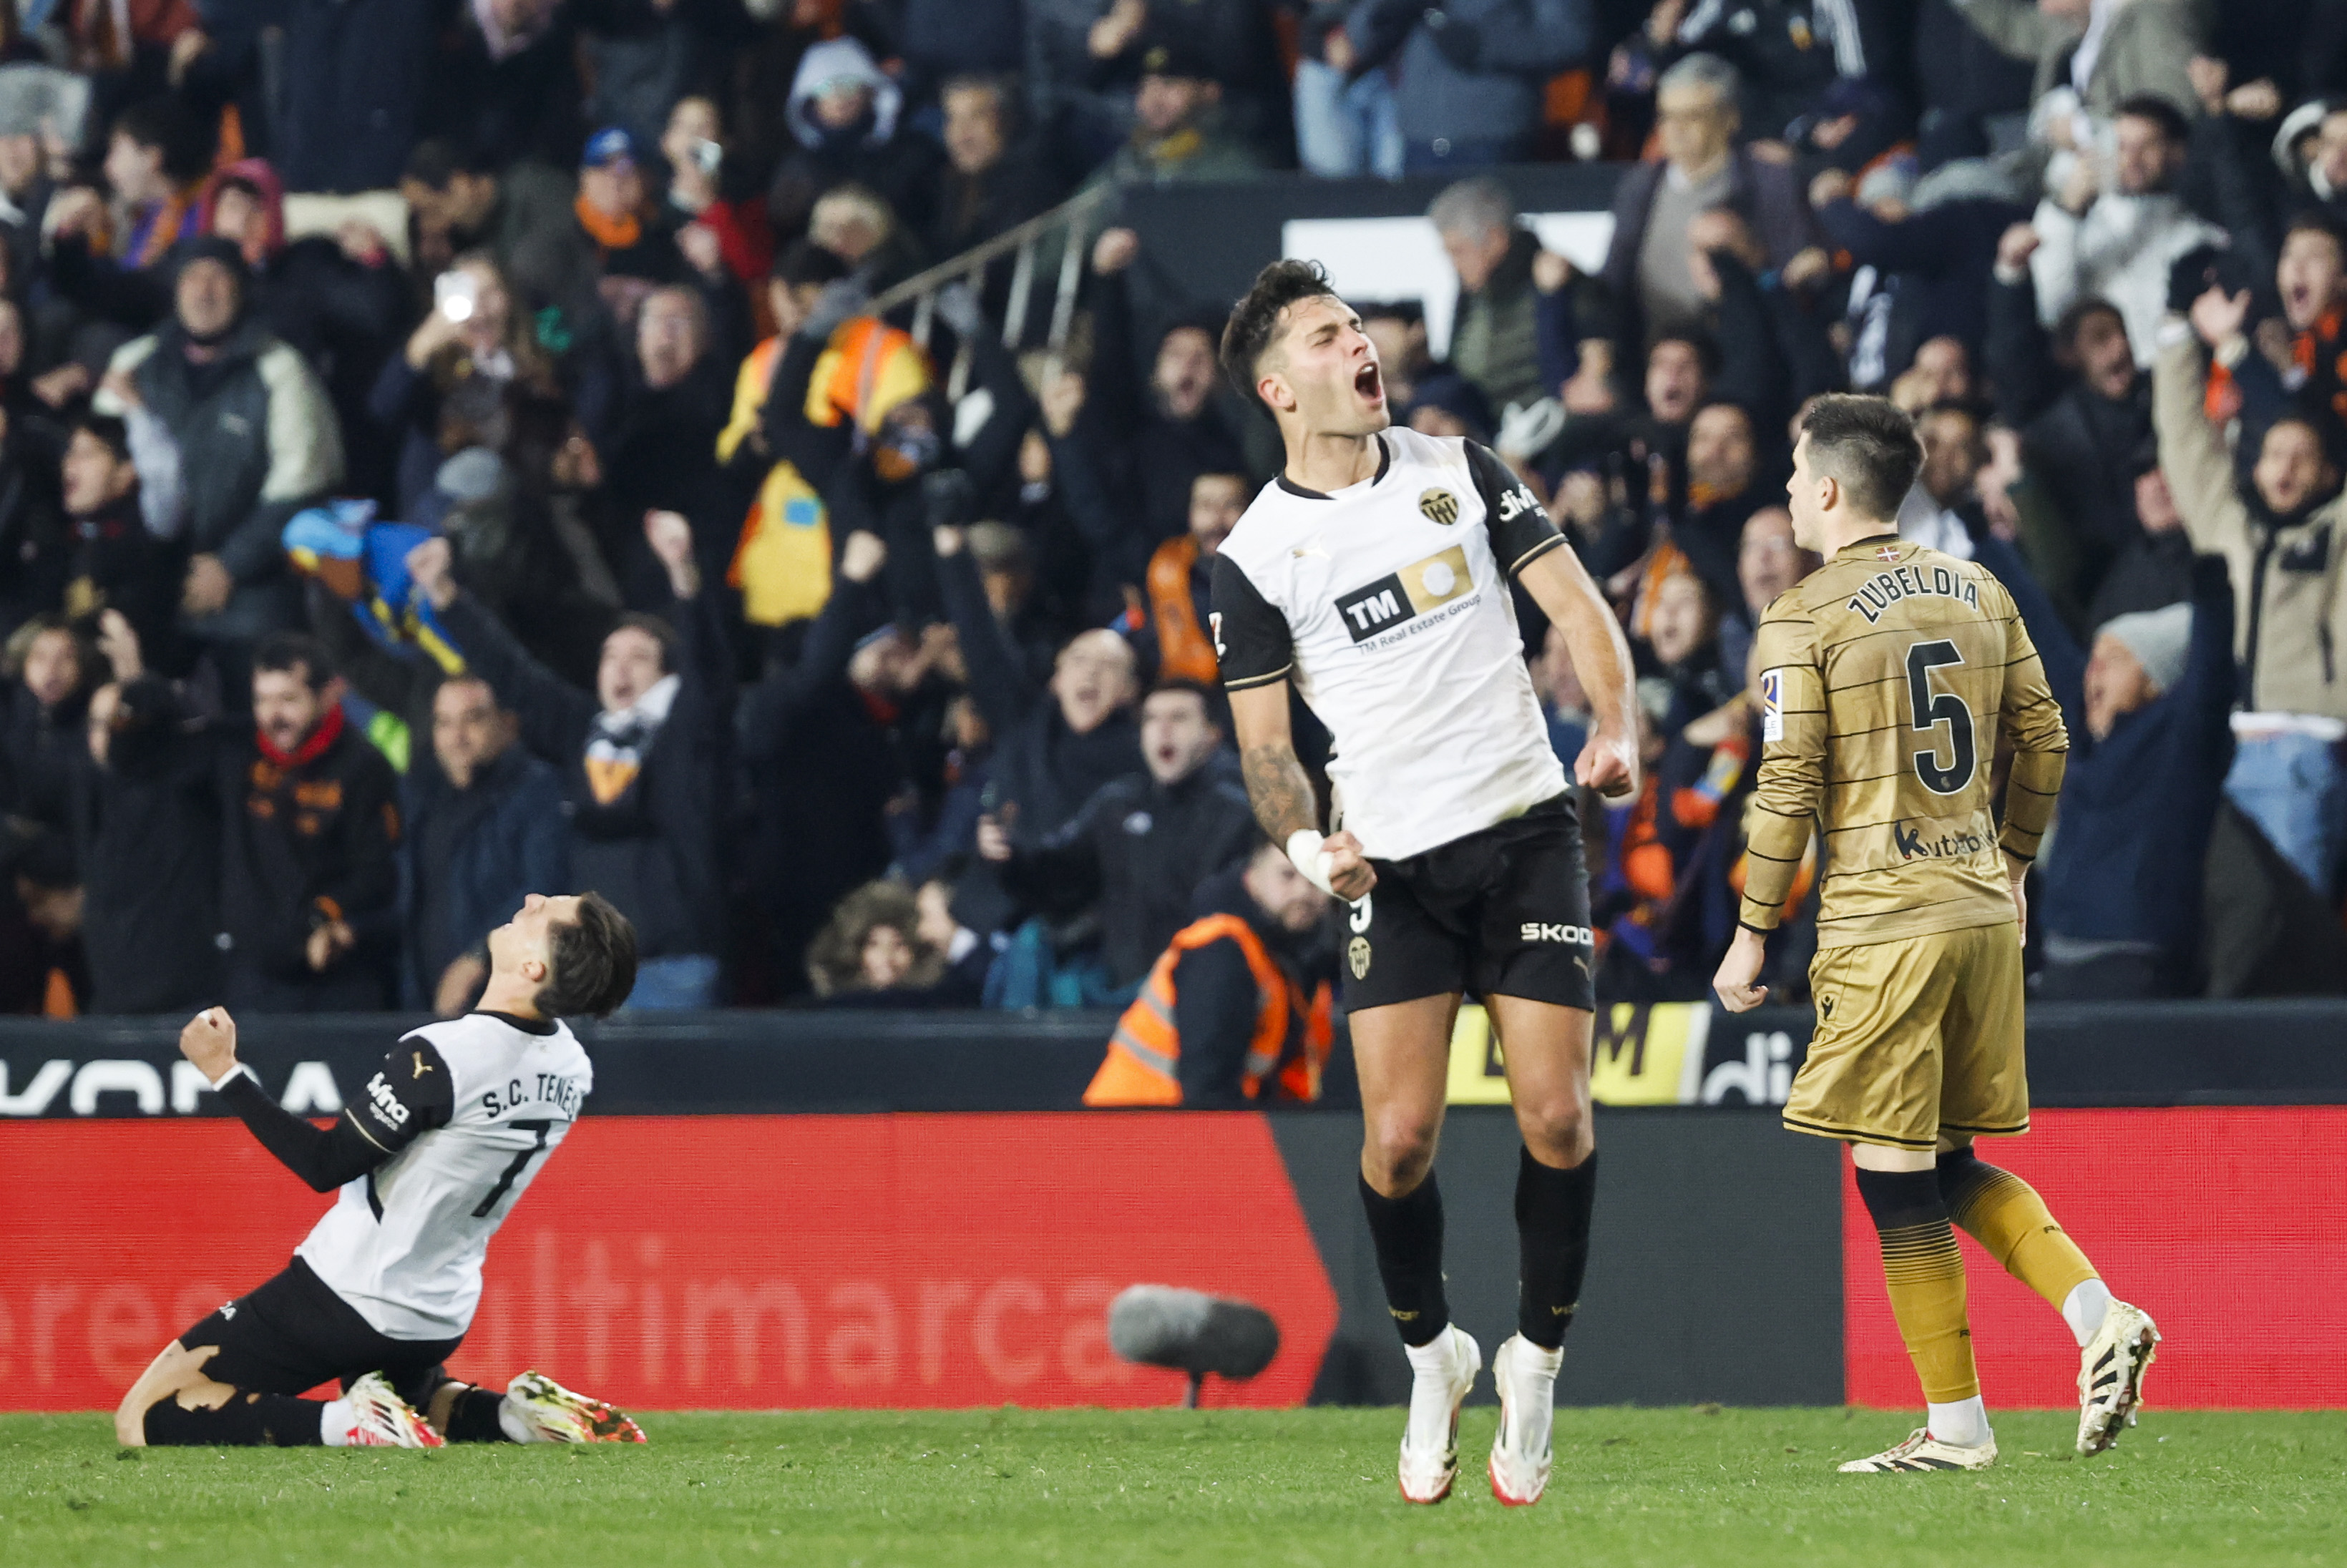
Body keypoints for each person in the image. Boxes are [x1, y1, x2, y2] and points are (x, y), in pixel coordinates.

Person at [1211, 258, 1639, 1506]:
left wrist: (1613, 723)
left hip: (1523, 831)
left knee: (1558, 1117)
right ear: (1279, 386)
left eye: (1361, 325)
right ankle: (1432, 1355)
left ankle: (1537, 1367)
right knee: (1397, 1143)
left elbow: (1578, 609)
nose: (1363, 344)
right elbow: (1264, 751)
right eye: (1330, 333)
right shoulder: (1256, 553)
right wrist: (1308, 850)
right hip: (1389, 867)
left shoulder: (1462, 472)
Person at [1711, 394, 2157, 1472]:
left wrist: (1748, 930)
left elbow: (1786, 781)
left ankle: (1966, 1423)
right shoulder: (1977, 588)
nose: (1783, 493)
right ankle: (2095, 1317)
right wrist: (2009, 863)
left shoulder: (1803, 615)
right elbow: (2046, 738)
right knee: (1941, 1161)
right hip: (1977, 916)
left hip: (1881, 922)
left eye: (1790, 474)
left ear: (1825, 489)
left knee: (1888, 1169)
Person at [113, 893, 645, 1449]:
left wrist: (224, 1072)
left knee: (145, 1416)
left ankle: (348, 1424)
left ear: (534, 968)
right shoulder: (570, 1065)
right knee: (411, 1402)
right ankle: (515, 1419)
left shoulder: (443, 1054)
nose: (531, 900)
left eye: (544, 911)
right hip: (438, 1315)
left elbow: (326, 1164)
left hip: (347, 1294)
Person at [410, 511, 731, 1009]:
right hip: (592, 973)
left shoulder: (684, 736)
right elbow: (515, 676)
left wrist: (684, 576)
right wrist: (447, 598)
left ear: (669, 677)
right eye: (610, 656)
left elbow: (709, 674)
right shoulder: (586, 730)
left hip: (674, 969)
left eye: (638, 658)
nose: (619, 669)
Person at [979, 680, 1258, 989]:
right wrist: (1009, 857)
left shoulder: (1239, 816)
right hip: (1125, 997)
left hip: (1206, 991)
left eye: (1179, 718)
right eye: (1151, 719)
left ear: (1212, 736)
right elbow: (1058, 882)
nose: (1163, 730)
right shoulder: (1116, 806)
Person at [1084, 835, 1334, 1107]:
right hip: (1137, 1133)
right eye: (1287, 875)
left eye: (1315, 878)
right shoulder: (1221, 950)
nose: (1303, 892)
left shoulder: (1288, 963)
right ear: (1252, 875)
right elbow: (1207, 1091)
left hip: (1163, 1129)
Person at [401, 675, 572, 1016]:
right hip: (423, 1002)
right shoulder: (420, 799)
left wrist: (478, 957)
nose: (457, 736)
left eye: (473, 719)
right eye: (444, 723)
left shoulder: (538, 791)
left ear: (506, 724)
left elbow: (544, 890)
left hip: (511, 1000)